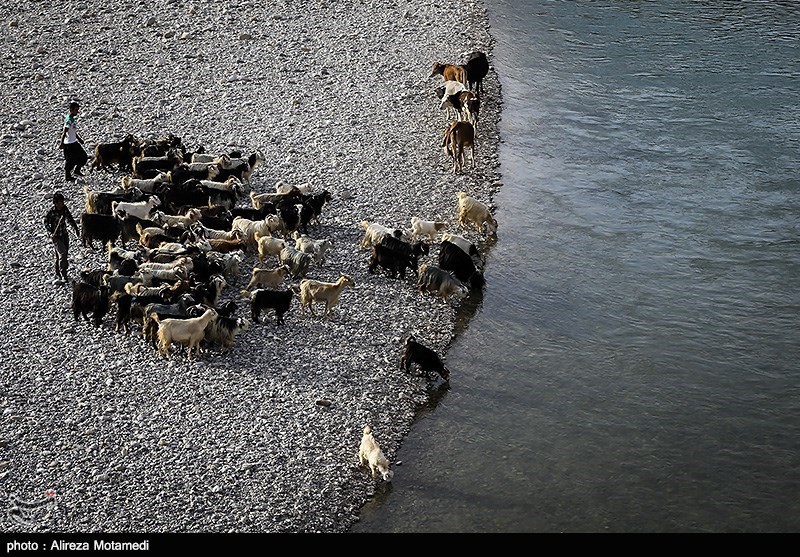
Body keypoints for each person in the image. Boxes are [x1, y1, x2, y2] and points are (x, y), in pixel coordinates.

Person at [44, 192, 80, 284]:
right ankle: (63, 274)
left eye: (62, 202)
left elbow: (70, 218)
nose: (62, 204)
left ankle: (57, 272)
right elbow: (46, 222)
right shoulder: (51, 212)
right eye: (60, 203)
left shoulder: (64, 209)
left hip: (64, 234)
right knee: (63, 253)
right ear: (55, 203)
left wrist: (75, 228)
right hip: (56, 236)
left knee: (61, 254)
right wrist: (50, 232)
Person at [58, 101, 88, 182]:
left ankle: (77, 171)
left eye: (78, 110)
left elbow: (73, 131)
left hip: (74, 142)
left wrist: (79, 139)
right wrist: (61, 143)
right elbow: (64, 132)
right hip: (69, 144)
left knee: (84, 156)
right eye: (76, 110)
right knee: (70, 160)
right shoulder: (68, 120)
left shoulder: (72, 119)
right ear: (71, 110)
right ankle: (68, 176)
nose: (77, 112)